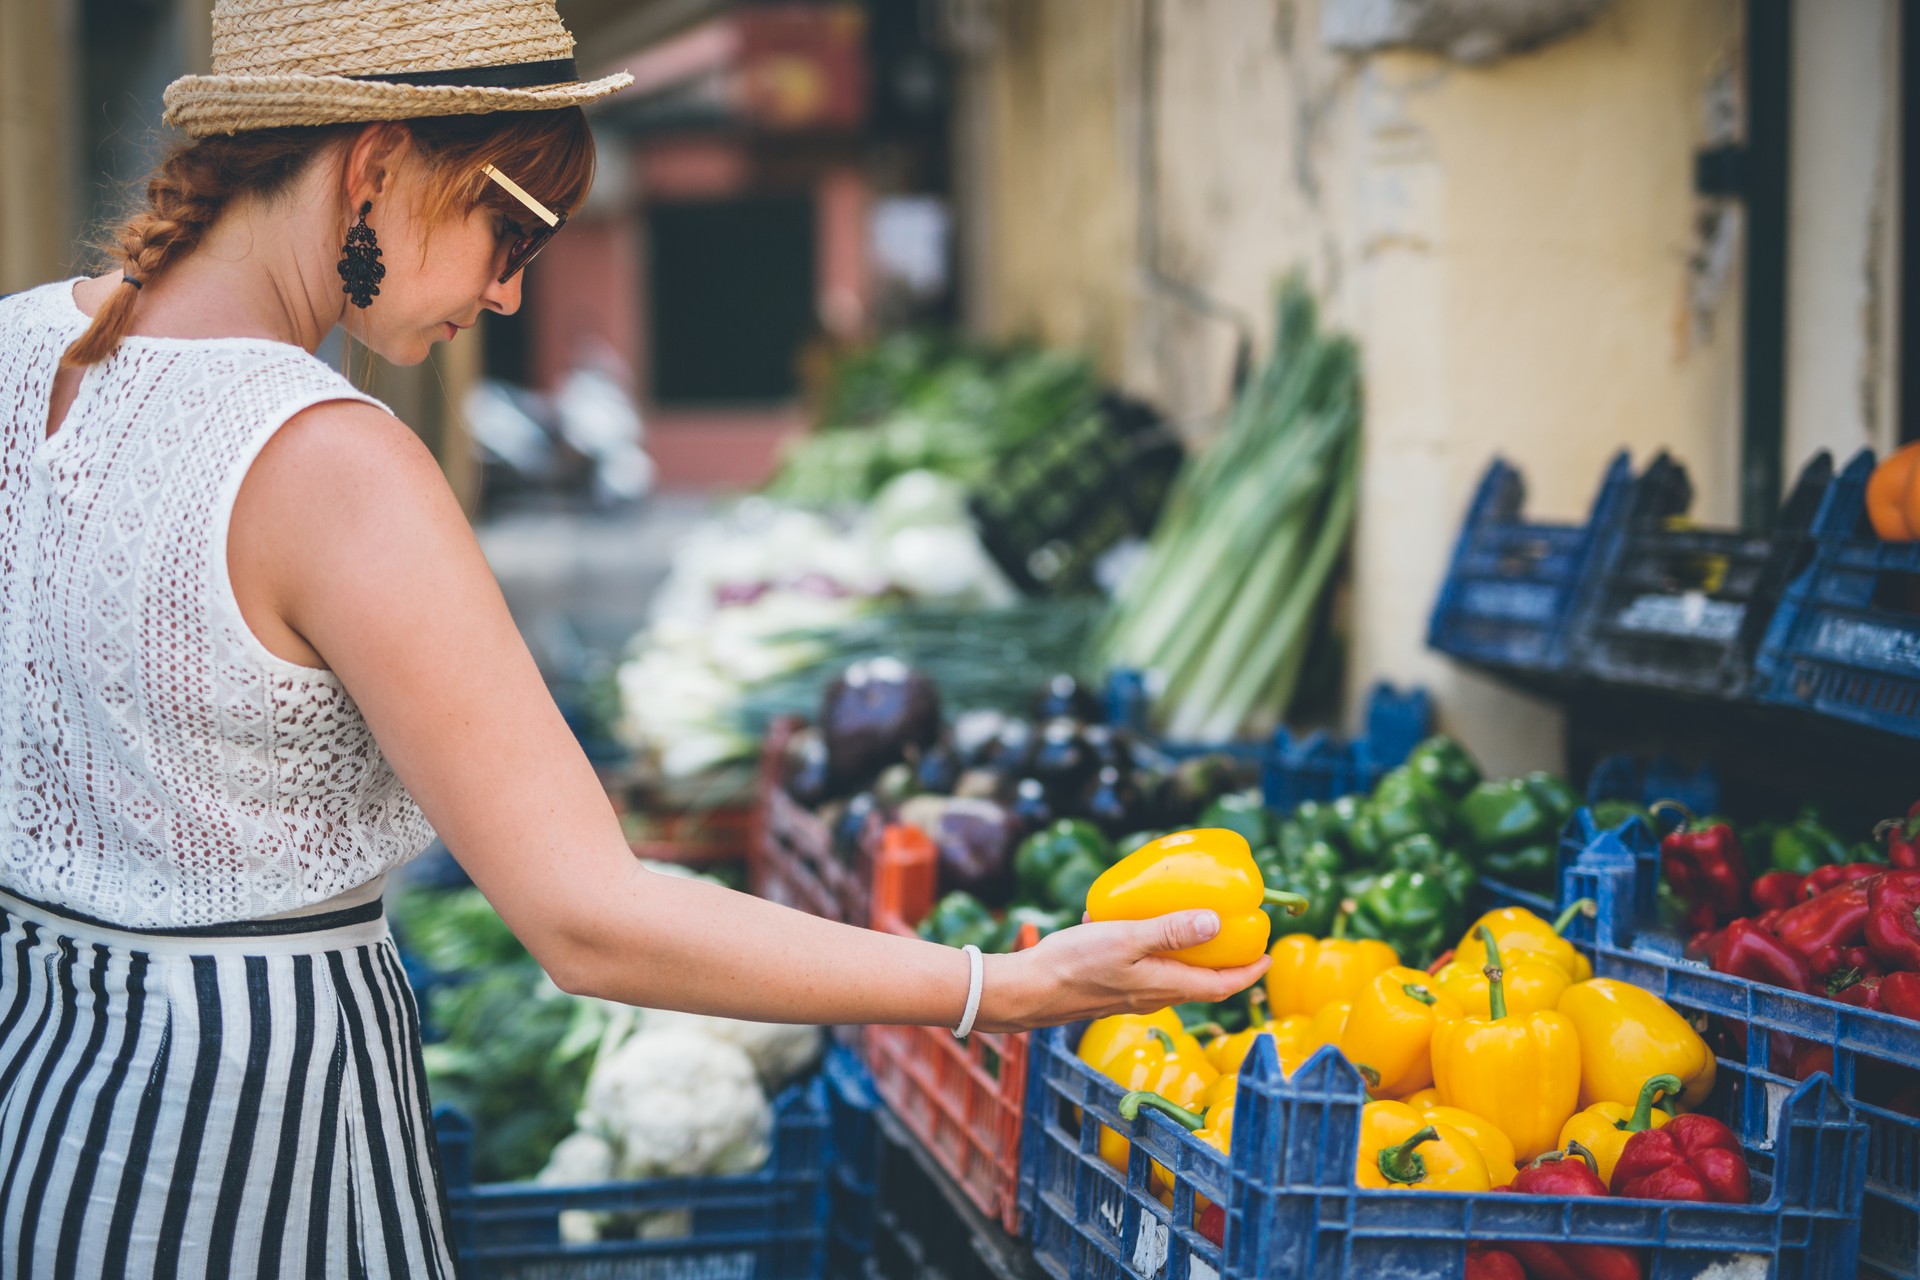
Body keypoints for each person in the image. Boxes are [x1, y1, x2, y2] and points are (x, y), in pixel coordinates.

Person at [0, 1, 1267, 1275]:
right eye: (513, 226)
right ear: (377, 165)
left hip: (40, 1093)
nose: (506, 290)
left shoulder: (14, 351)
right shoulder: (329, 460)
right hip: (243, 1144)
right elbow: (590, 920)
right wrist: (998, 985)